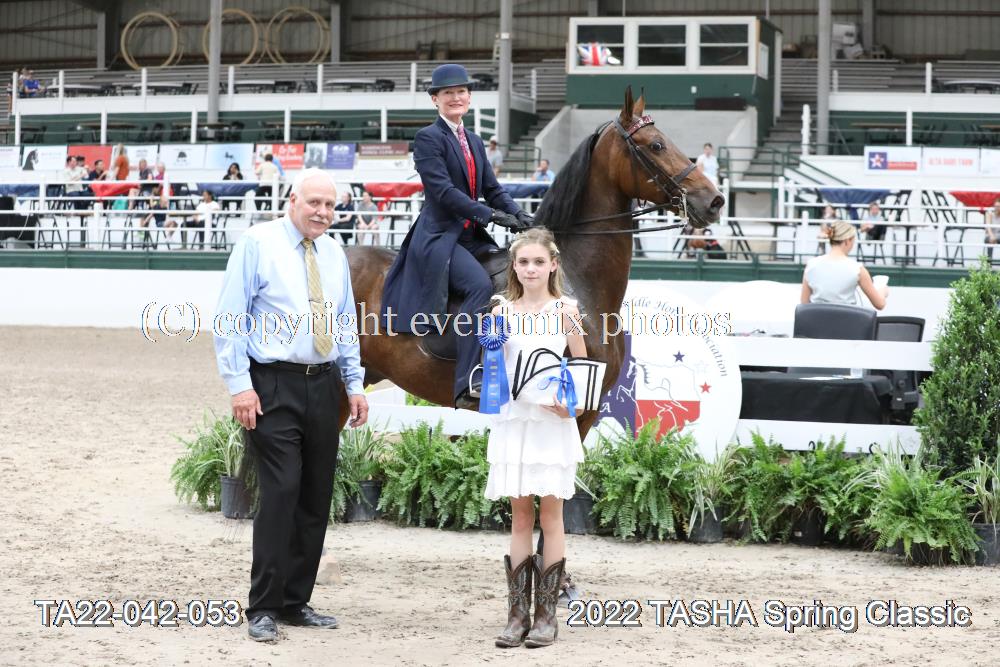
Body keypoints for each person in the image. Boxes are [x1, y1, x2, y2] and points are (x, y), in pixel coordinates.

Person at [213, 168, 368, 643]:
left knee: (315, 496)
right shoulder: (256, 244)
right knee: (280, 492)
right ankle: (263, 605)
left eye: (330, 205)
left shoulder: (334, 252)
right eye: (314, 202)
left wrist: (354, 383)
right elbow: (230, 316)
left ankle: (295, 601)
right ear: (292, 200)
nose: (322, 212)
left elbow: (345, 322)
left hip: (323, 385)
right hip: (271, 385)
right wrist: (239, 385)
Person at [380, 63, 531, 410]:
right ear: (435, 99)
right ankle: (468, 380)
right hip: (440, 236)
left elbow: (492, 188)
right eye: (448, 93)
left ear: (469, 97)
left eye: (461, 91)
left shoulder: (474, 141)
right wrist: (491, 215)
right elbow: (444, 192)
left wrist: (520, 215)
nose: (456, 97)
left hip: (471, 236)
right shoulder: (428, 138)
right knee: (479, 285)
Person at [487, 228, 586, 649]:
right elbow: (493, 365)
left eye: (538, 262)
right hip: (515, 420)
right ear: (514, 266)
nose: (531, 269)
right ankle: (517, 616)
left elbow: (581, 364)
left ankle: (547, 615)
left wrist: (573, 406)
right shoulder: (500, 311)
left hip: (551, 423)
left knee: (552, 515)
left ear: (553, 265)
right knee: (520, 516)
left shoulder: (566, 310)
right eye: (524, 262)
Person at [801, 221, 888, 309]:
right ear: (847, 241)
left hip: (816, 317)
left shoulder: (811, 264)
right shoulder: (857, 269)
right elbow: (880, 304)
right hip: (847, 317)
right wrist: (883, 290)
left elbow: (804, 304)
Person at [986, 198, 1000, 262]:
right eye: (995, 206)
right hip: (990, 235)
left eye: (998, 206)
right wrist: (992, 236)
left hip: (998, 236)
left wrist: (996, 238)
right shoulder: (990, 214)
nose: (996, 208)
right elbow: (988, 227)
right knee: (990, 240)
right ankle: (989, 263)